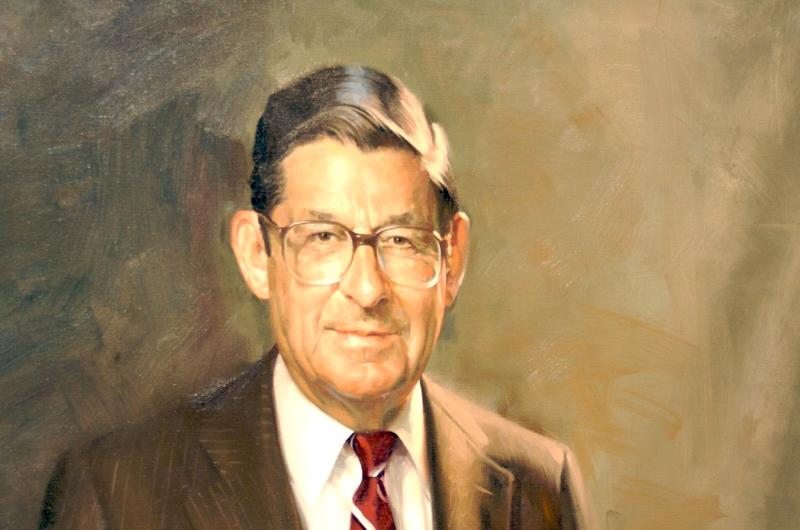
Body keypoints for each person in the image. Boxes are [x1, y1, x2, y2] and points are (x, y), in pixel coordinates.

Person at [39, 65, 595, 530]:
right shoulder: (118, 493)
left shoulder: (539, 487)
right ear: (256, 255)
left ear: (452, 261)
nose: (368, 289)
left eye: (402, 240)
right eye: (323, 238)